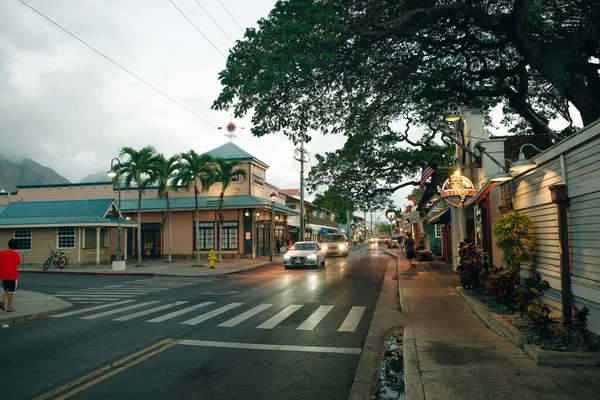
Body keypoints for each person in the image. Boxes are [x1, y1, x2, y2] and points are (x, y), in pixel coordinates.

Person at [0, 239, 21, 312]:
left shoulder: (1, 253)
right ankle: (9, 307)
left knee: (6, 290)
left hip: (3, 275)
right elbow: (18, 263)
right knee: (11, 292)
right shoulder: (15, 254)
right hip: (12, 275)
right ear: (16, 246)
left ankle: (2, 301)